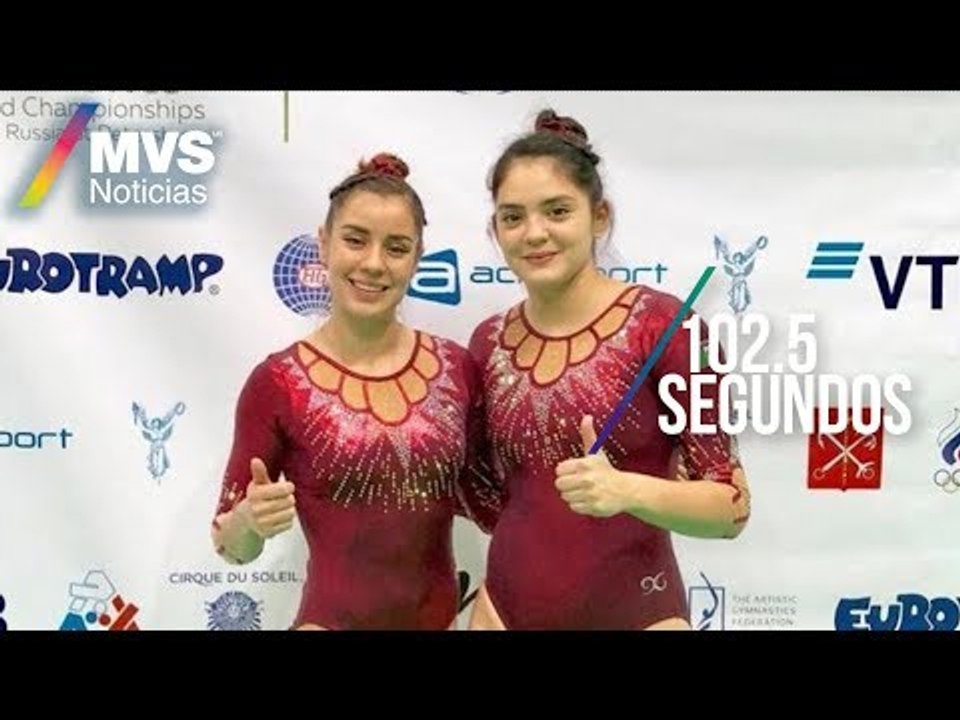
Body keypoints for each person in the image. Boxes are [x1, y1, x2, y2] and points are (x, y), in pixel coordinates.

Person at [467, 110, 751, 630]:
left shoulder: (666, 327)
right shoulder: (488, 343)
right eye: (513, 217)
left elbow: (730, 509)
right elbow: (490, 502)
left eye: (557, 211)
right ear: (495, 230)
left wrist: (627, 491)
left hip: (641, 614)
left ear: (599, 216)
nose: (534, 233)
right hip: (503, 613)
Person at [211, 153, 501, 630]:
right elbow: (231, 547)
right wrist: (248, 520)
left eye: (396, 247)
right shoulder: (278, 384)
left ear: (417, 259)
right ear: (324, 244)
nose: (373, 263)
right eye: (355, 240)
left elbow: (496, 507)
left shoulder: (456, 369)